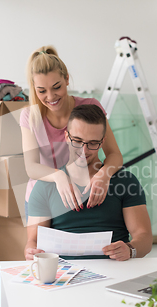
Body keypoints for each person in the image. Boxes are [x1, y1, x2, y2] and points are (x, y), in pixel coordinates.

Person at [24, 104, 152, 261]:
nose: (84, 151)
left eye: (93, 143)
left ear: (102, 141)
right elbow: (33, 241)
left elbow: (144, 237)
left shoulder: (125, 182)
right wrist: (31, 251)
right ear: (66, 137)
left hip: (115, 270)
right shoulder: (45, 186)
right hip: (63, 275)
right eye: (77, 141)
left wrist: (130, 249)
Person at [20, 46, 123, 217]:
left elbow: (115, 155)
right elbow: (31, 167)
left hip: (84, 195)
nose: (51, 97)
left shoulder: (90, 106)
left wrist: (104, 174)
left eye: (56, 87)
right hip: (43, 199)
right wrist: (59, 176)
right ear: (34, 88)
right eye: (42, 91)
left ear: (67, 79)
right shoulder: (29, 116)